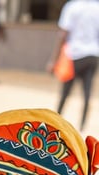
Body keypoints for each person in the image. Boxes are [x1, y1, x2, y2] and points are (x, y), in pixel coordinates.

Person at [47, 0, 99, 132]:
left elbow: (63, 34)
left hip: (74, 54)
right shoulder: (97, 7)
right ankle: (82, 127)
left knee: (65, 92)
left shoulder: (72, 7)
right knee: (87, 93)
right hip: (93, 54)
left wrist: (54, 60)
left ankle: (56, 121)